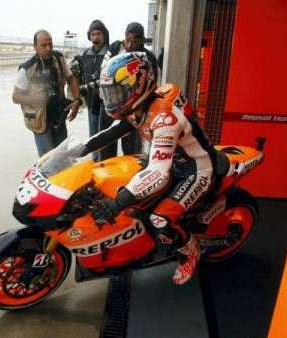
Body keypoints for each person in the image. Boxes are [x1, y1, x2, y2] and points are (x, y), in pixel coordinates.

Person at [79, 53, 214, 285]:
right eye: (110, 92)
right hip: (170, 160)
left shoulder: (164, 119)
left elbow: (159, 173)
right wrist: (79, 150)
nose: (113, 98)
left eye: (118, 91)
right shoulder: (139, 106)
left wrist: (118, 203)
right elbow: (113, 132)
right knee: (127, 183)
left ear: (137, 86)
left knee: (160, 219)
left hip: (195, 168)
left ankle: (190, 251)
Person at [12, 29, 82, 157]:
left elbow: (71, 79)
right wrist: (35, 99)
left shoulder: (59, 59)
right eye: (43, 45)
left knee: (62, 156)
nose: (48, 48)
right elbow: (16, 97)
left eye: (50, 44)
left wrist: (77, 100)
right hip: (40, 122)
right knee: (47, 160)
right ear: (35, 47)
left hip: (59, 117)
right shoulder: (27, 68)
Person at [97, 22, 158, 161]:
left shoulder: (147, 57)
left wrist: (139, 110)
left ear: (142, 40)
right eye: (127, 40)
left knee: (132, 154)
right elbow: (103, 73)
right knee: (105, 148)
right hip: (110, 106)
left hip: (133, 110)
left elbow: (151, 85)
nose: (129, 45)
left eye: (134, 41)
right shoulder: (115, 47)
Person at [78, 20, 109, 161]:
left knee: (107, 136)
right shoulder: (85, 55)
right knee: (93, 136)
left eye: (98, 33)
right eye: (93, 34)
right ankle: (96, 161)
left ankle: (106, 161)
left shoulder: (110, 53)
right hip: (91, 102)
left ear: (104, 35)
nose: (95, 37)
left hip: (108, 103)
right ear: (89, 36)